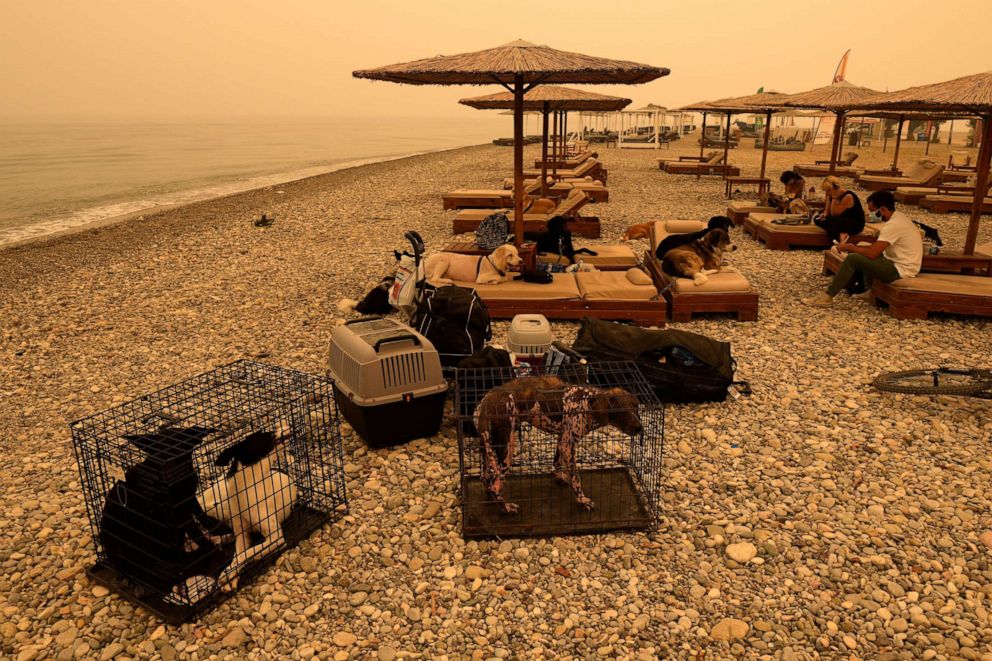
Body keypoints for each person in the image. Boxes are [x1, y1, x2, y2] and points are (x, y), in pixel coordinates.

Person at [802, 190, 923, 307]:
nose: (870, 214)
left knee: (852, 259)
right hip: (899, 262)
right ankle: (868, 290)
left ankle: (827, 296)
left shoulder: (894, 225)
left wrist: (849, 247)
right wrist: (856, 247)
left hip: (901, 269)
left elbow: (872, 254)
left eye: (873, 211)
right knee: (862, 246)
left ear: (883, 210)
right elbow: (876, 248)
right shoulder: (899, 219)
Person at [815, 176, 864, 243]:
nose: (826, 193)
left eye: (828, 191)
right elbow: (826, 213)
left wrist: (834, 197)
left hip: (854, 223)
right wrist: (829, 198)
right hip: (841, 220)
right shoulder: (831, 195)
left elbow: (834, 214)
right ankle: (841, 234)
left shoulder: (848, 196)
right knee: (817, 218)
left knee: (829, 221)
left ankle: (838, 240)